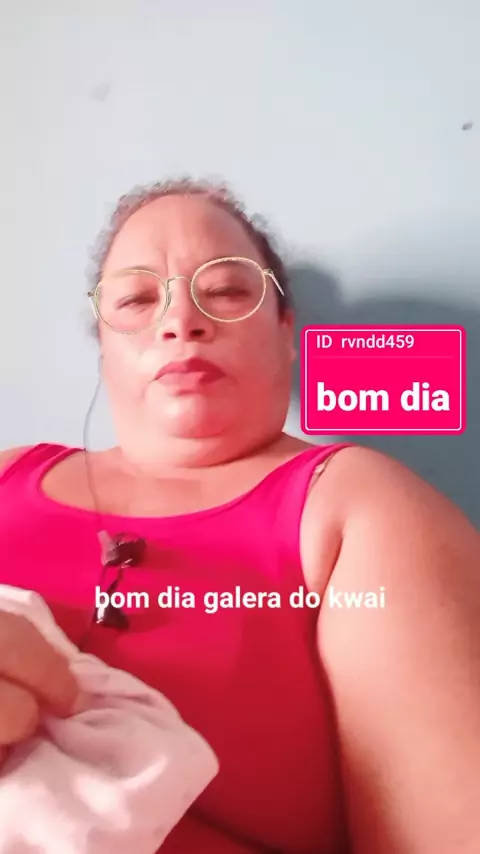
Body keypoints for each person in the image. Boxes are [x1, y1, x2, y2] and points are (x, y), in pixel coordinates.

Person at [0, 178, 479, 854]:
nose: (181, 320)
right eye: (136, 299)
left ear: (287, 332)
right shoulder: (7, 473)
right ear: (103, 344)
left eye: (226, 291)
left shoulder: (358, 508)